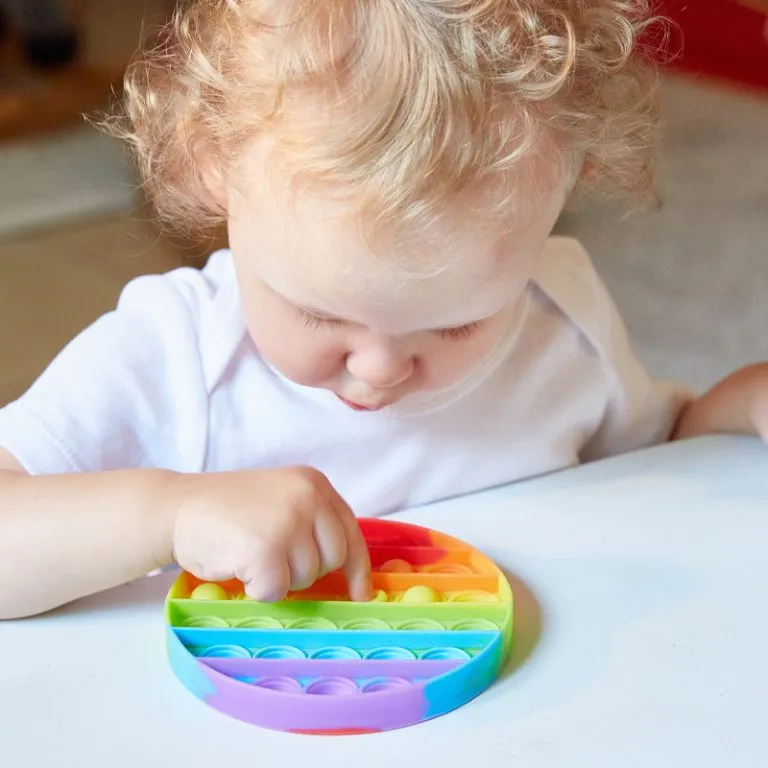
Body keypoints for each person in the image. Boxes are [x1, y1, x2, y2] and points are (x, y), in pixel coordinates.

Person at [1, 0, 766, 620]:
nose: (381, 366)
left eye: (456, 323)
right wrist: (170, 514)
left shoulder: (559, 317)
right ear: (210, 166)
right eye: (318, 314)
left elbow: (642, 462)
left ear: (567, 189)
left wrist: (733, 411)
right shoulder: (174, 357)